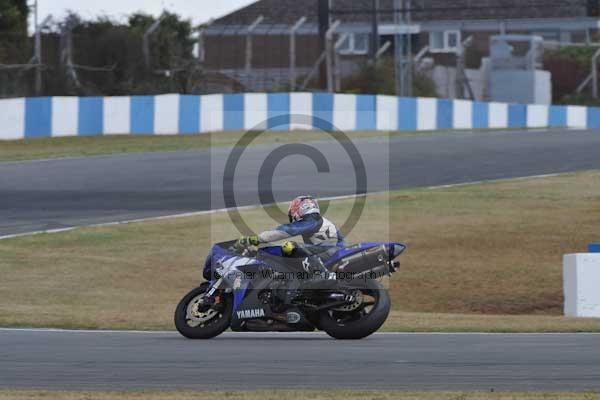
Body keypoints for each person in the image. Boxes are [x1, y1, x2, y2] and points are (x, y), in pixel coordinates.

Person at [203, 195, 345, 280]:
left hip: (331, 253)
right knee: (288, 251)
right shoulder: (318, 221)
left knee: (290, 246)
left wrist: (255, 239)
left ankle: (324, 276)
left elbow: (283, 231)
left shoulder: (311, 221)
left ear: (298, 209)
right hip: (332, 253)